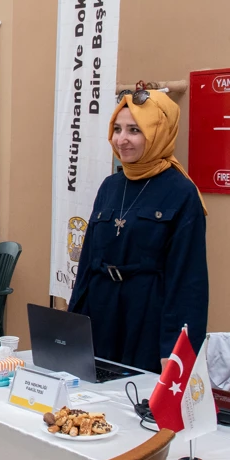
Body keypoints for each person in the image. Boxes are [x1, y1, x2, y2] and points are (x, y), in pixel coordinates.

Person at [66, 88, 208, 373]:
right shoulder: (110, 186)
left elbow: (188, 280)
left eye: (134, 130)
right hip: (101, 312)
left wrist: (176, 349)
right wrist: (72, 327)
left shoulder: (181, 192)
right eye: (117, 129)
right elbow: (87, 266)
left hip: (148, 318)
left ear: (159, 133)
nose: (122, 140)